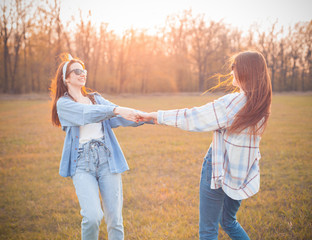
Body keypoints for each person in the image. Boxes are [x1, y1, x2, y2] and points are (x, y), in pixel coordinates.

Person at [138, 51, 272, 240]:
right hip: (242, 171)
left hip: (219, 168)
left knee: (208, 230)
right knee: (229, 221)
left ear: (245, 71)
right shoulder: (261, 103)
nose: (232, 70)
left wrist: (155, 116)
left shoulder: (233, 104)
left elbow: (193, 117)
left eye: (235, 66)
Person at [50, 54, 149, 240]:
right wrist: (115, 110)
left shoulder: (96, 98)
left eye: (84, 70)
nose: (82, 74)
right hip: (81, 163)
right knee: (92, 216)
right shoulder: (63, 104)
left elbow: (120, 116)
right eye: (77, 71)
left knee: (115, 220)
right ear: (66, 78)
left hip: (107, 159)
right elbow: (87, 114)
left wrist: (147, 118)